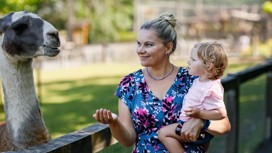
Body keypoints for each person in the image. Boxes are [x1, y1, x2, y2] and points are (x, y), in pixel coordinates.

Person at [92, 12, 231, 153]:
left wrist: (201, 121)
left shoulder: (193, 79)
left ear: (168, 48)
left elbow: (224, 124)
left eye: (148, 44)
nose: (140, 50)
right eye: (139, 44)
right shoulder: (129, 84)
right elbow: (128, 140)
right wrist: (114, 122)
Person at [158, 42, 228, 153]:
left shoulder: (211, 88)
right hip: (186, 124)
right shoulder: (199, 80)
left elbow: (221, 113)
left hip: (191, 128)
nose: (188, 62)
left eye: (193, 60)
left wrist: (200, 114)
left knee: (163, 133)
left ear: (208, 66)